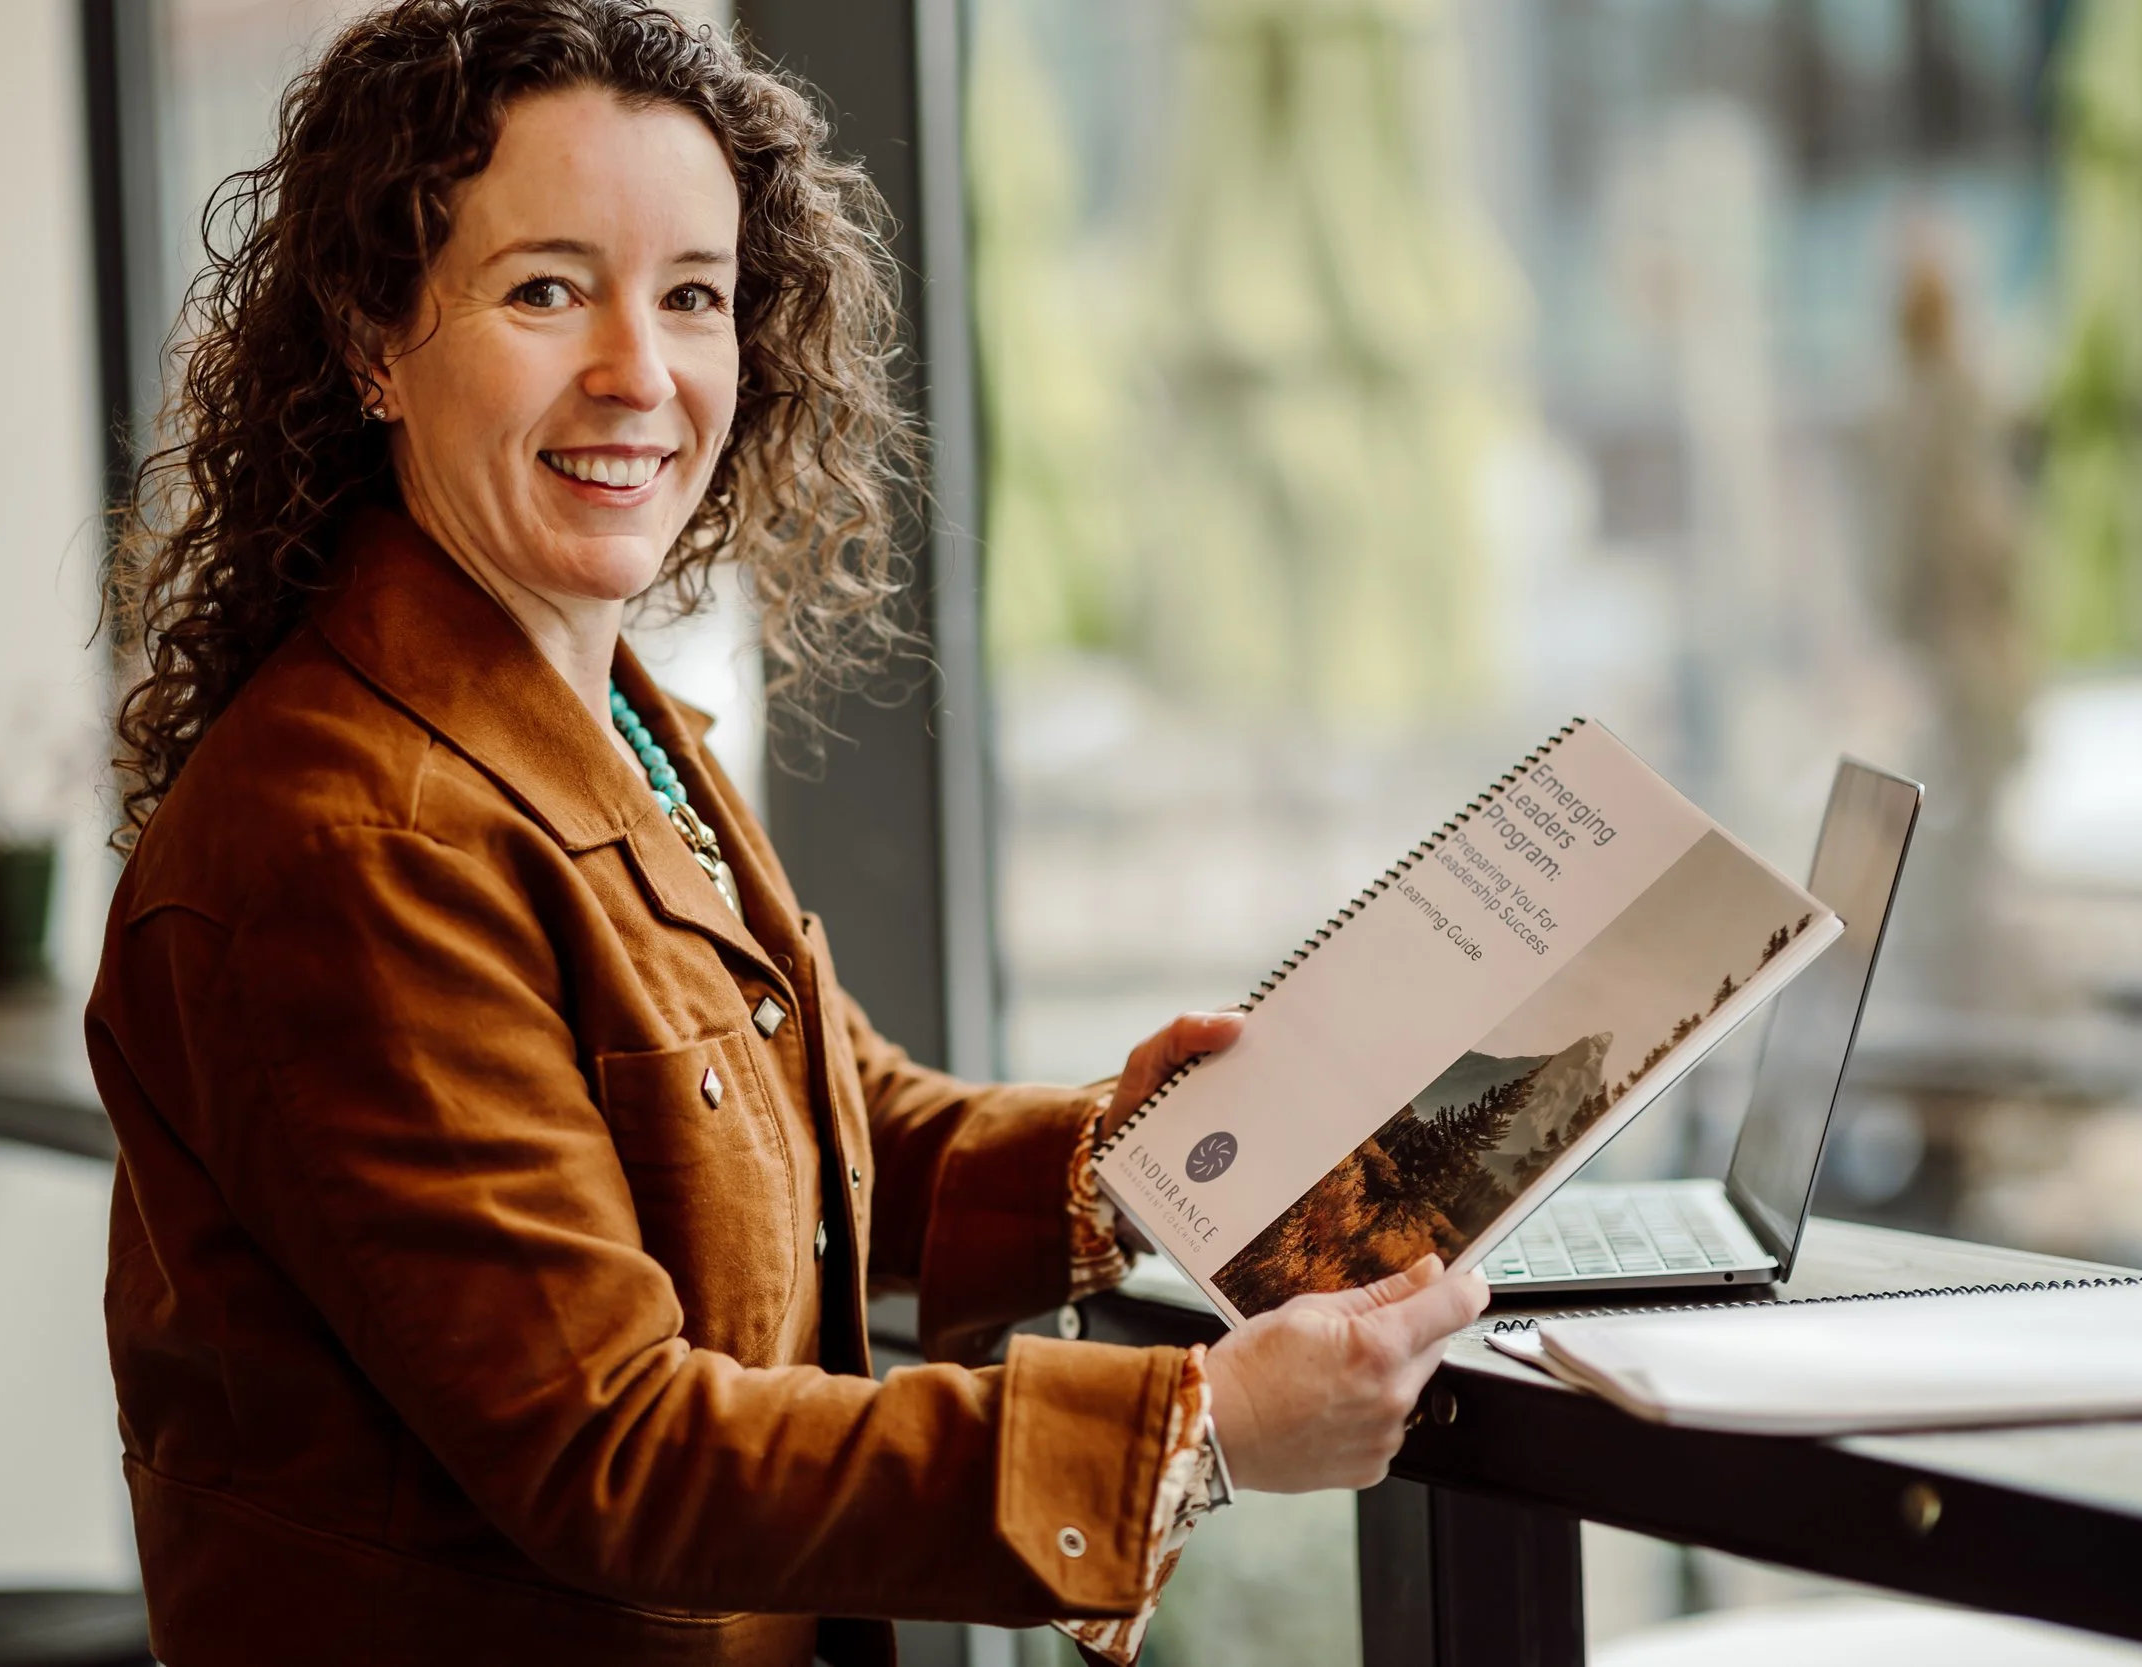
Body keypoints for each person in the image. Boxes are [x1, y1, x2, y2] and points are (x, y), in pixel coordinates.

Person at [89, 4, 1487, 1663]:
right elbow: (613, 1445)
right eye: (546, 290)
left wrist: (1133, 1159)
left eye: (693, 294)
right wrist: (1198, 1429)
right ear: (372, 339)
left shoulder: (601, 714)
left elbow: (810, 1129)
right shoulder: (358, 843)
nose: (640, 371)